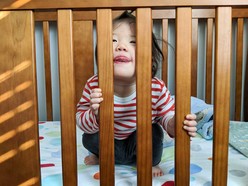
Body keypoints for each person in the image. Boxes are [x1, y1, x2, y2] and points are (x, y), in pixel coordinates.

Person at [76, 11, 197, 177]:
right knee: (88, 137)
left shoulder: (155, 87)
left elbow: (167, 115)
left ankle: (149, 161)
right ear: (100, 53)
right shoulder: (94, 84)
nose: (121, 46)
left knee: (154, 131)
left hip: (139, 144)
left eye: (133, 41)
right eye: (113, 40)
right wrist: (95, 115)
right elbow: (80, 120)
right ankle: (99, 156)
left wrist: (174, 124)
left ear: (149, 58)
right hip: (107, 143)